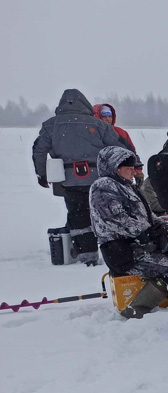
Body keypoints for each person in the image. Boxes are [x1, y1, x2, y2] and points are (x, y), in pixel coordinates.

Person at [88, 145, 168, 318]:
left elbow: (148, 215)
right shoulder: (103, 186)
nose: (133, 171)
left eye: (134, 167)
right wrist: (149, 233)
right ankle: (136, 309)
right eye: (129, 168)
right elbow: (115, 219)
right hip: (122, 252)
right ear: (115, 167)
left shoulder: (128, 187)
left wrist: (162, 228)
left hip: (139, 248)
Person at [32, 89, 124, 266]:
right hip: (98, 179)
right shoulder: (99, 125)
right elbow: (120, 146)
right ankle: (115, 254)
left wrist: (42, 174)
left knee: (78, 216)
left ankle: (87, 256)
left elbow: (39, 150)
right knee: (106, 214)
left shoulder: (51, 125)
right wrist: (130, 168)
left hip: (69, 180)